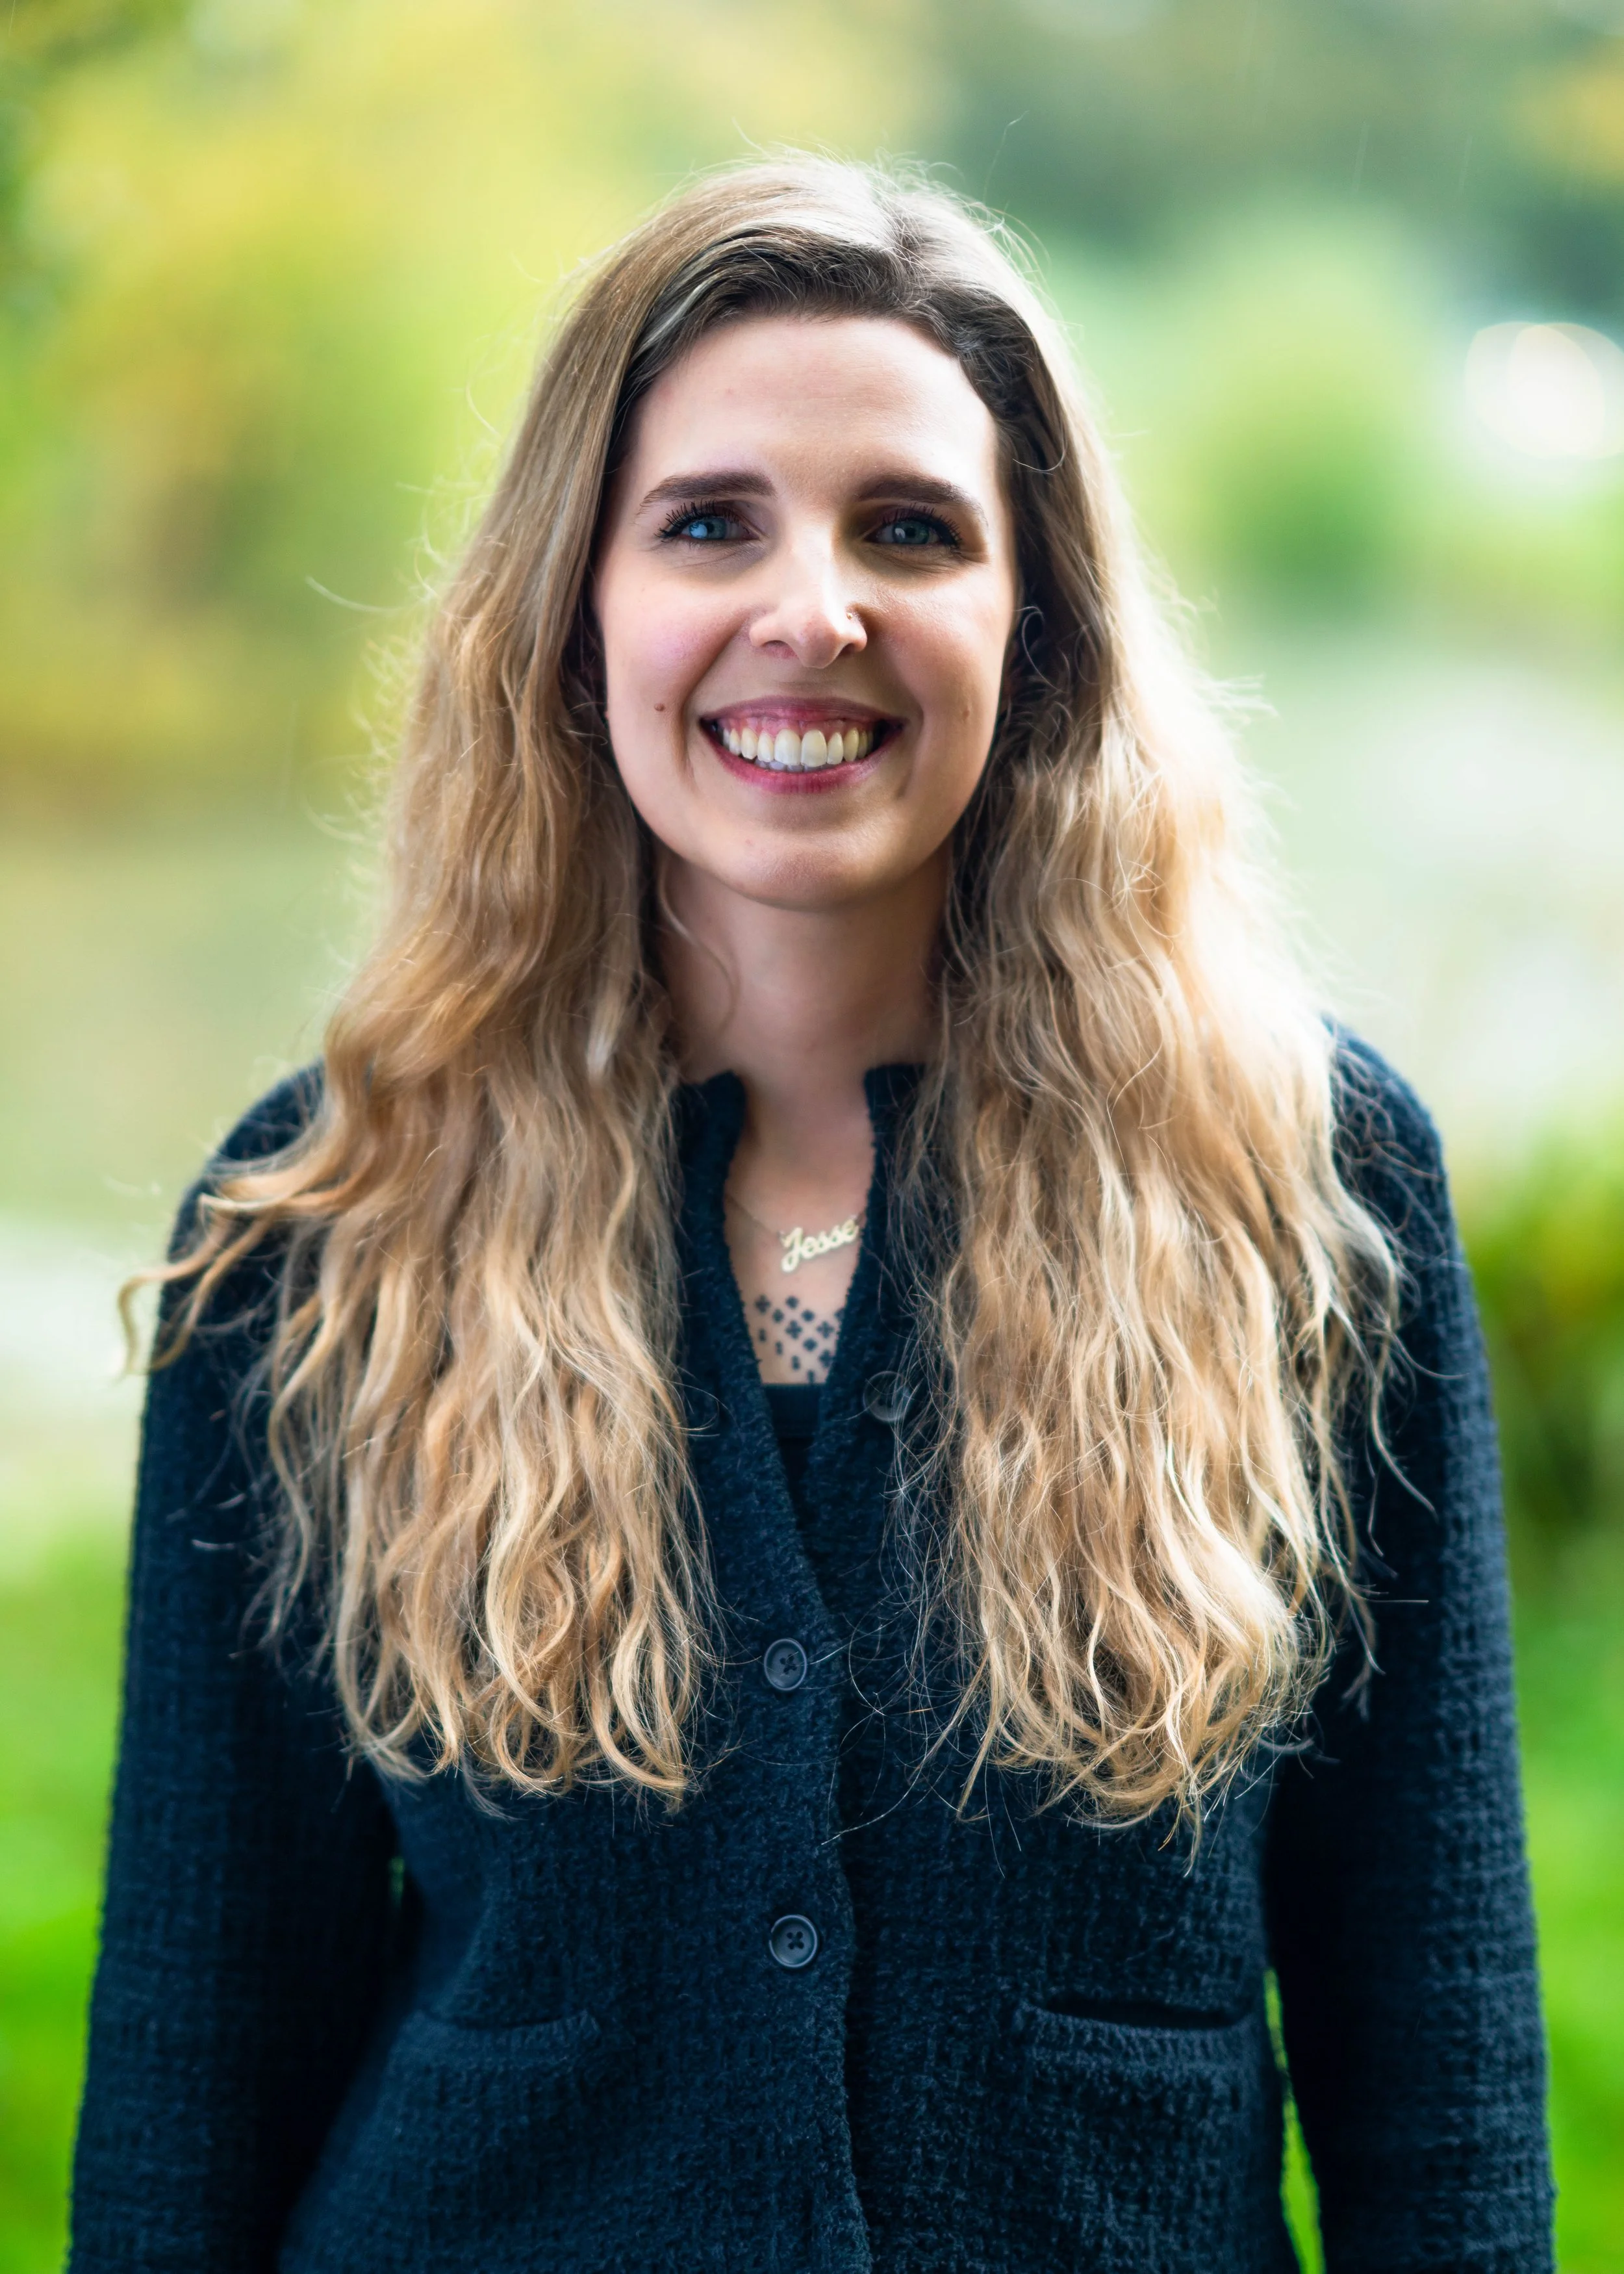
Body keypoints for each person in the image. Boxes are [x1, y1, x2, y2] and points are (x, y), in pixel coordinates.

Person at [70, 157, 1553, 2273]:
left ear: (1037, 620)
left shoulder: (1300, 1181)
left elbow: (1438, 2055)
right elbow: (192, 2068)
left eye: (909, 529)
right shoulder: (326, 1222)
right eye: (708, 523)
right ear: (574, 608)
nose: (810, 608)